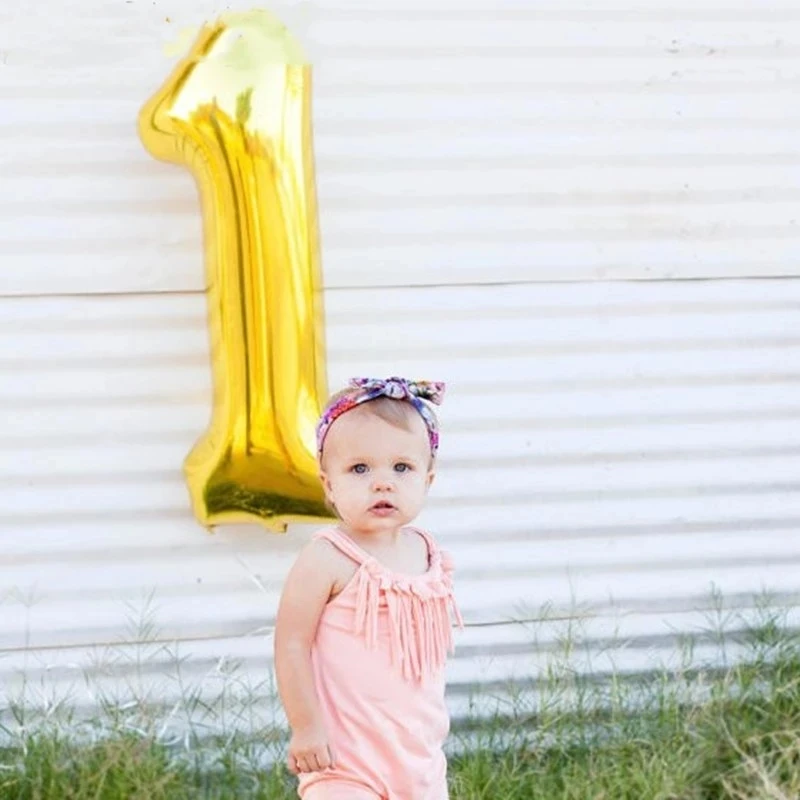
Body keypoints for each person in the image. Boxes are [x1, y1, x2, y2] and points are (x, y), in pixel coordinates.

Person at [274, 376, 463, 800]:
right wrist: (306, 726)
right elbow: (291, 643)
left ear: (427, 480)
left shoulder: (427, 553)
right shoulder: (327, 558)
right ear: (328, 484)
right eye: (360, 469)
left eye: (402, 468)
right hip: (345, 763)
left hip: (418, 760)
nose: (382, 483)